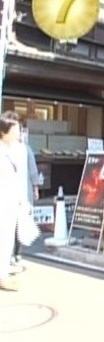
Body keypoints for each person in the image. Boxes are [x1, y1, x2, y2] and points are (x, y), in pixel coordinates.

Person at [0, 111, 31, 291]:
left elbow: (20, 177)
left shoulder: (18, 149)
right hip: (2, 201)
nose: (19, 132)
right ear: (4, 131)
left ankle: (3, 275)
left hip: (11, 201)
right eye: (15, 129)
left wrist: (22, 200)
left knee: (7, 239)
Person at [11, 126, 40, 271]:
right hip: (21, 193)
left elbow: (33, 171)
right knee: (19, 224)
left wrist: (35, 188)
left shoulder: (10, 149)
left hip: (15, 193)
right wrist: (35, 188)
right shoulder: (25, 149)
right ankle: (16, 254)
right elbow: (33, 171)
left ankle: (14, 254)